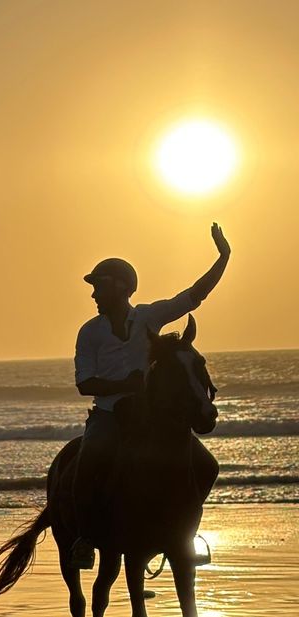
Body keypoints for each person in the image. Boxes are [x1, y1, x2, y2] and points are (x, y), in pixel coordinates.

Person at [70, 222, 231, 570]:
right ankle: (85, 538)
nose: (94, 294)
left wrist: (224, 256)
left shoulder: (149, 316)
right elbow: (85, 384)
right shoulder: (89, 332)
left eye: (100, 286)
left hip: (148, 415)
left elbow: (195, 295)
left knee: (207, 466)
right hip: (109, 415)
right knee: (88, 461)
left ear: (123, 288)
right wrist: (124, 386)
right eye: (95, 288)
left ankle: (184, 529)